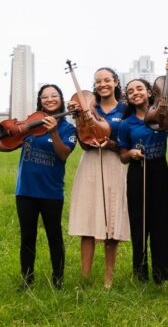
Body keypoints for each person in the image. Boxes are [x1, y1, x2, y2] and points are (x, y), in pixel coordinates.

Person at [2, 85, 76, 289]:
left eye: (54, 96)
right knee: (27, 237)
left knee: (54, 236)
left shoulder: (68, 129)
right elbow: (7, 145)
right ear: (40, 101)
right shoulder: (30, 126)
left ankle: (58, 280)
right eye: (45, 97)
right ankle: (27, 279)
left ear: (60, 99)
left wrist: (53, 133)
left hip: (51, 192)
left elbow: (63, 155)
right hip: (25, 190)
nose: (50, 99)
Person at [67, 67, 129, 289]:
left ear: (115, 82)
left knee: (112, 222)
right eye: (98, 81)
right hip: (91, 163)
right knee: (88, 221)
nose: (102, 84)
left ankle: (108, 280)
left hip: (115, 163)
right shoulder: (88, 107)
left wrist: (112, 144)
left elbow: (129, 138)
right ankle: (85, 279)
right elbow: (84, 142)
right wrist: (79, 119)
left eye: (107, 80)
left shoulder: (126, 108)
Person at [118, 73, 168, 285]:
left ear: (149, 92)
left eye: (139, 89)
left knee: (162, 222)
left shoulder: (163, 114)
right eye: (130, 91)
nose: (135, 93)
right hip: (137, 172)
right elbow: (122, 157)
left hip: (159, 170)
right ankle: (140, 273)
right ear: (127, 98)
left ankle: (162, 274)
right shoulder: (126, 124)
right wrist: (130, 153)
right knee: (139, 223)